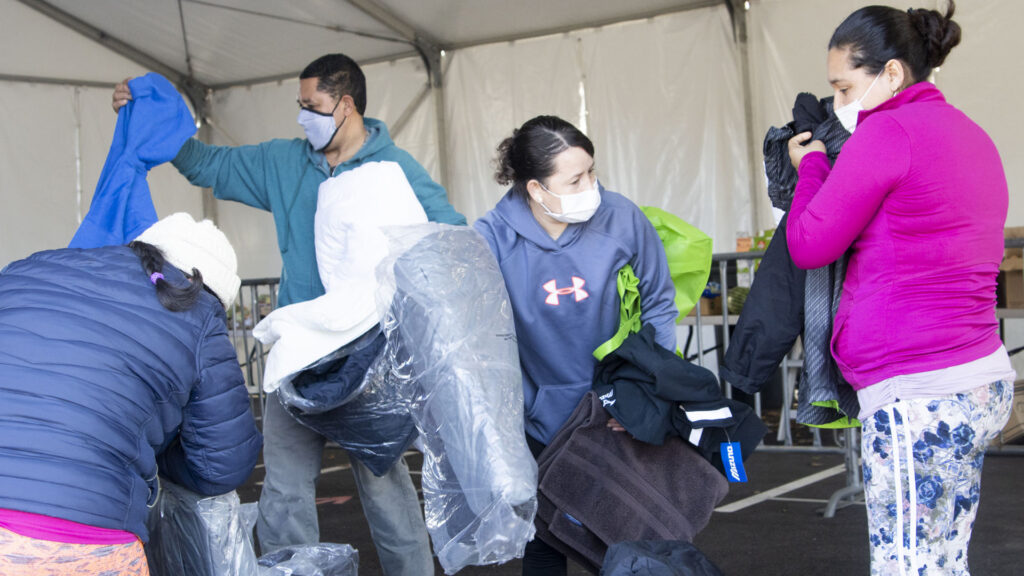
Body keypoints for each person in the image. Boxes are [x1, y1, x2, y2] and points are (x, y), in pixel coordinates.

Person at [112, 53, 464, 575]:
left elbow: (448, 238)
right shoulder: (284, 161)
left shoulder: (396, 170)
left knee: (385, 489)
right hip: (296, 353)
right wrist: (146, 113)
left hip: (370, 364)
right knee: (284, 492)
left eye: (311, 106)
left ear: (345, 105)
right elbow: (204, 163)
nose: (302, 118)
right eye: (299, 106)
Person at [786, 3, 1016, 574]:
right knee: (943, 558)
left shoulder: (888, 132)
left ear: (891, 74)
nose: (839, 102)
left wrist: (811, 167)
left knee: (907, 563)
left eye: (844, 86)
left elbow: (811, 243)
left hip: (921, 390)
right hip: (977, 375)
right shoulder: (971, 133)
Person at [0, 212, 261, 576]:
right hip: (79, 540)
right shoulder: (198, 314)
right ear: (211, 291)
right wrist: (143, 455)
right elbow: (222, 464)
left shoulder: (28, 267)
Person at [473, 115, 678, 575]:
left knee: (627, 538)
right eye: (576, 179)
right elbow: (479, 336)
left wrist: (649, 394)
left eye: (592, 171)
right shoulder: (491, 237)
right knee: (546, 541)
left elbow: (659, 305)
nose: (592, 186)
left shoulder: (622, 216)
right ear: (535, 189)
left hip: (616, 408)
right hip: (538, 416)